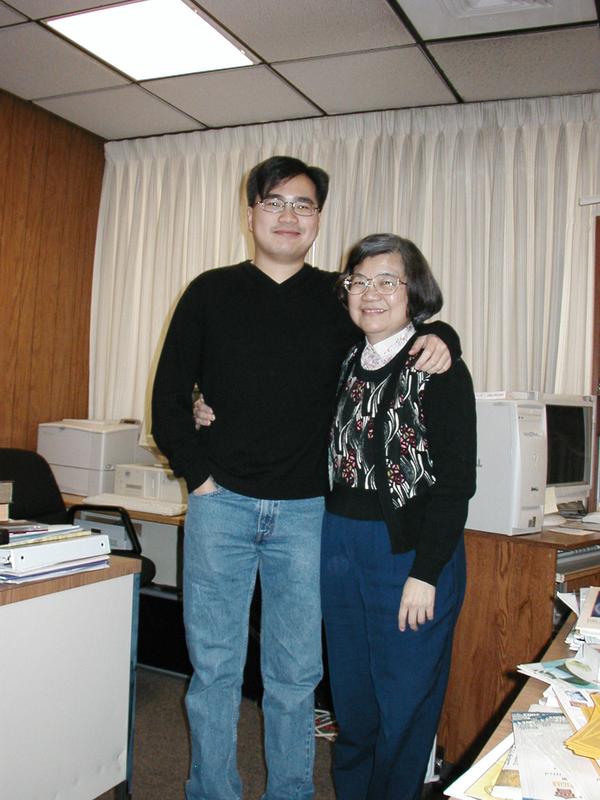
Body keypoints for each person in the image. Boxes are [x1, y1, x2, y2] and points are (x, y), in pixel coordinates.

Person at [151, 156, 459, 800]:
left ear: (319, 218)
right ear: (251, 213)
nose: (289, 216)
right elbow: (169, 398)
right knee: (214, 670)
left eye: (304, 205)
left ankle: (290, 791)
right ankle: (212, 789)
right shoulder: (210, 291)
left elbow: (398, 328)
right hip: (221, 507)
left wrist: (446, 336)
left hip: (306, 517)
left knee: (295, 674)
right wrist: (201, 478)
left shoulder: (338, 297)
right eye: (275, 202)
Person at [322, 233, 477, 800]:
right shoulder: (344, 357)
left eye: (388, 281)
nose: (371, 293)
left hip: (409, 555)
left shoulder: (437, 365)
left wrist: (426, 572)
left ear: (415, 292)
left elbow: (458, 484)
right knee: (354, 704)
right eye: (359, 281)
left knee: (404, 707)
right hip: (339, 548)